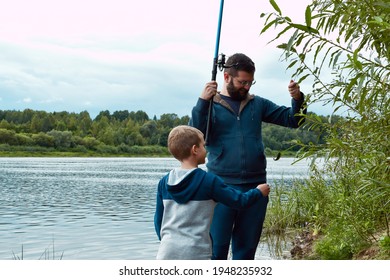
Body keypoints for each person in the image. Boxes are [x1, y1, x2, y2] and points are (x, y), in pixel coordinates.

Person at [189, 53, 306, 260]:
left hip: (256, 189)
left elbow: (293, 120)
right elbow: (194, 138)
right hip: (220, 188)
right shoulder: (209, 105)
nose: (247, 87)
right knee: (216, 252)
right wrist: (201, 103)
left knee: (245, 253)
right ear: (226, 77)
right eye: (242, 82)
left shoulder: (257, 104)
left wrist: (297, 98)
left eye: (250, 83)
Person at [154, 125, 270, 260]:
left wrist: (166, 242)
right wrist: (258, 192)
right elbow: (239, 201)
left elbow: (158, 221)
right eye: (203, 145)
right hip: (196, 253)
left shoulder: (164, 182)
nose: (206, 150)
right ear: (195, 150)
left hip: (166, 252)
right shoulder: (209, 181)